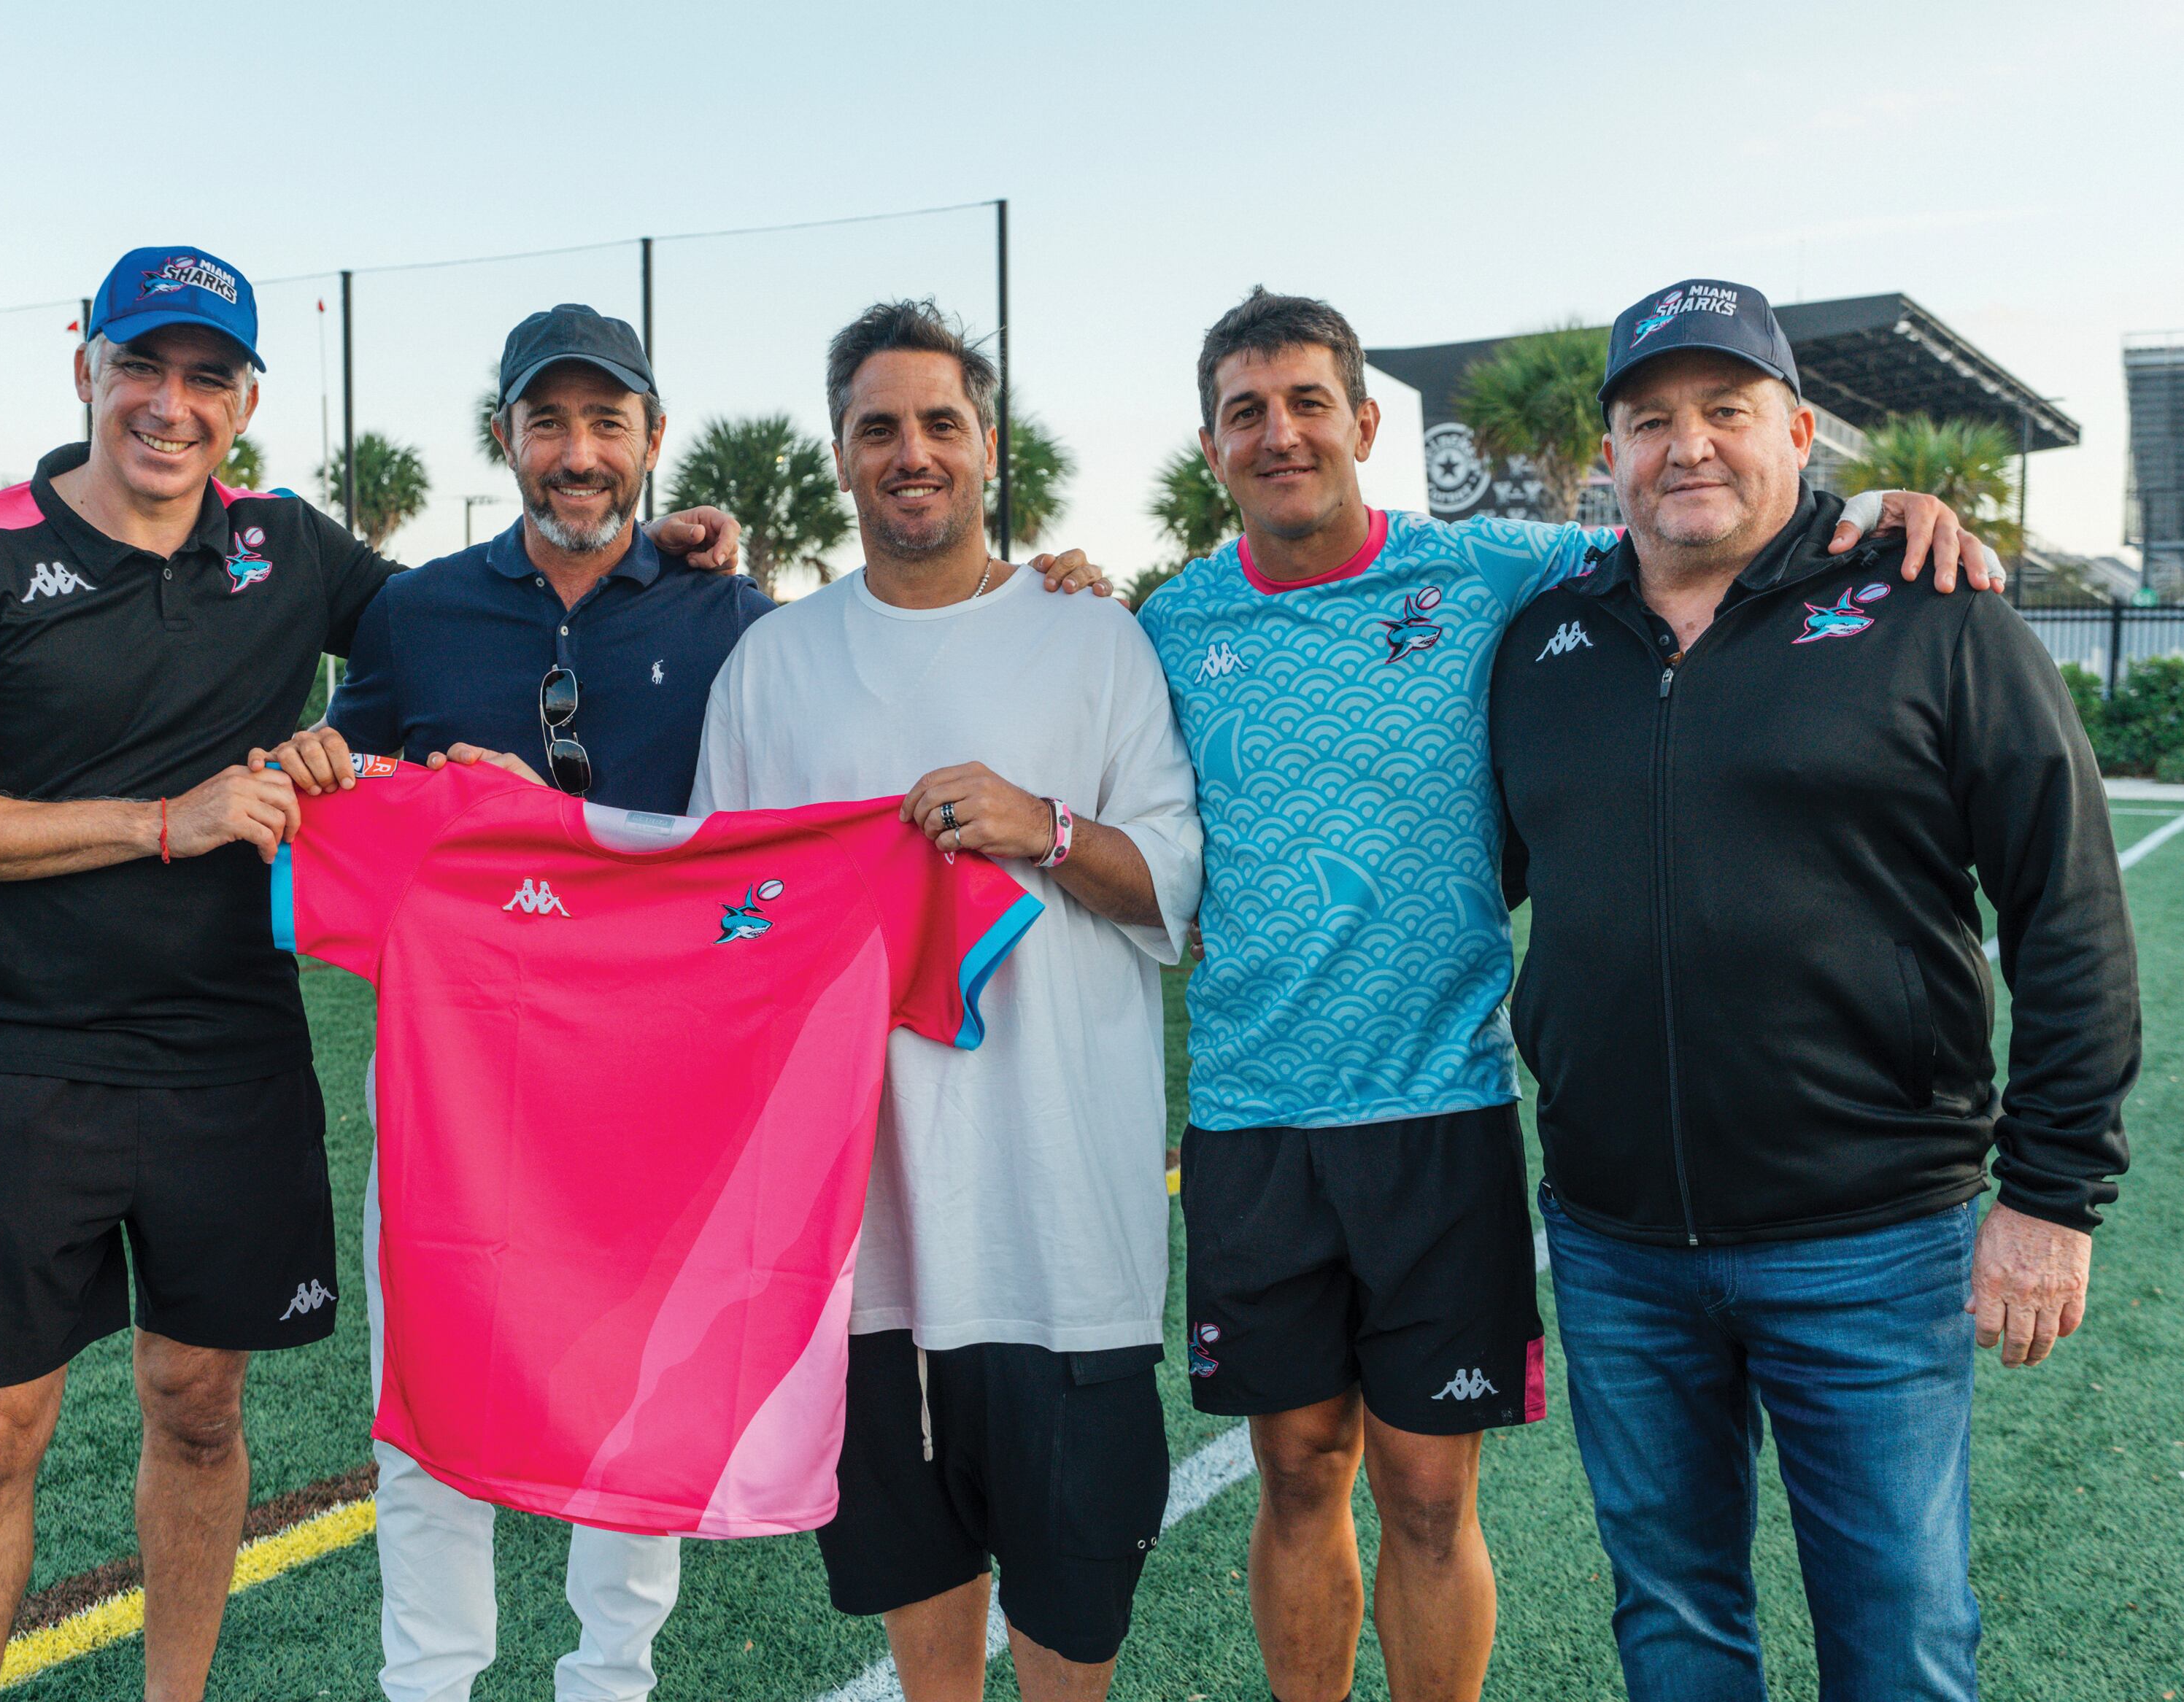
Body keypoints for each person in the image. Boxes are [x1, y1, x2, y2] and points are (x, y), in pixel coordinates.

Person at [0, 252, 740, 1702]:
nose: (171, 405)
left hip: (232, 1064)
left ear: (248, 399)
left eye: (208, 378)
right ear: (86, 365)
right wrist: (161, 822)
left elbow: (499, 615)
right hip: (25, 1061)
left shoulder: (293, 550)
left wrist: (669, 546)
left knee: (199, 1412)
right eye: (144, 367)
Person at [1133, 287, 1992, 1702]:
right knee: (1295, 1473)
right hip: (1248, 1117)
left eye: (1304, 403)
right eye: (1244, 411)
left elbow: (1704, 522)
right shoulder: (1171, 622)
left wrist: (1873, 501)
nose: (1277, 433)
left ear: (1362, 423)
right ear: (1214, 444)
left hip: (1442, 1110)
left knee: (1421, 1491)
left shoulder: (1493, 573)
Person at [266, 303, 1111, 1702]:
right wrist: (325, 770)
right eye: (551, 424)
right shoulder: (418, 614)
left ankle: (612, 1680)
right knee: (425, 1394)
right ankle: (427, 1686)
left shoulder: (735, 618)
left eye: (610, 425)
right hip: (459, 1086)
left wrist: (1039, 586)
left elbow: (876, 698)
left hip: (664, 1091)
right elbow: (344, 779)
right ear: (507, 441)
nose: (579, 454)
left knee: (635, 1391)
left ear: (655, 443)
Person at [1489, 278, 2139, 1702]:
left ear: (1796, 427)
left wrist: (2048, 1198)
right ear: (1611, 453)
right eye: (1650, 419)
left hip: (1871, 1238)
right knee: (1671, 1624)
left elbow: (2067, 911)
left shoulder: (1929, 607)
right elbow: (1475, 881)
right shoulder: (1541, 652)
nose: (1689, 446)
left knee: (1898, 1640)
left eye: (1725, 410)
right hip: (1612, 1245)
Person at [689, 299, 1200, 1702]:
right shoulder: (769, 669)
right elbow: (717, 939)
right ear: (841, 458)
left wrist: (1038, 823)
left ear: (989, 448)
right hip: (866, 1257)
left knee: (1069, 1650)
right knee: (927, 1657)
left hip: (1065, 1245)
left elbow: (1173, 893)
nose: (910, 452)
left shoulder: (1093, 639)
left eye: (939, 424)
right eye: (878, 428)